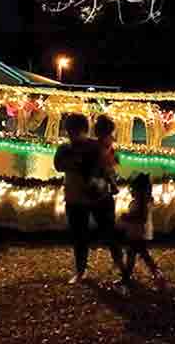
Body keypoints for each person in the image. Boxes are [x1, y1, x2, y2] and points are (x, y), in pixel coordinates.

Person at [54, 114, 124, 284]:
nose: (72, 134)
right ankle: (81, 270)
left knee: (108, 232)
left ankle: (122, 268)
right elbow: (58, 165)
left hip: (96, 196)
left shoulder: (93, 147)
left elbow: (110, 163)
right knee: (80, 235)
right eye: (70, 131)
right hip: (78, 197)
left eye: (75, 131)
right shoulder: (67, 149)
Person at [119, 173, 166, 289]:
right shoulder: (140, 201)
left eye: (133, 188)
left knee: (137, 254)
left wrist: (128, 217)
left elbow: (142, 218)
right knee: (136, 254)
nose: (131, 191)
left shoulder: (142, 203)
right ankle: (128, 277)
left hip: (137, 233)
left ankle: (155, 274)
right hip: (135, 233)